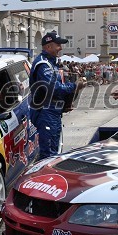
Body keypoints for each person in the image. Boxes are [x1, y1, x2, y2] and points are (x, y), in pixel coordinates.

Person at [29, 31, 80, 160]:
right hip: (45, 113)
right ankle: (47, 179)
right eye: (58, 45)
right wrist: (74, 86)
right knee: (49, 155)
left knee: (54, 151)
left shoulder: (51, 63)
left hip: (53, 112)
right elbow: (53, 89)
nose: (60, 48)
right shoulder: (43, 64)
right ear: (48, 46)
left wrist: (64, 105)